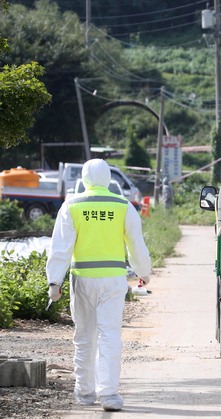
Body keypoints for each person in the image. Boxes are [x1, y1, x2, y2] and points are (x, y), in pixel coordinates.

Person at [46, 159, 151, 412]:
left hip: (82, 279)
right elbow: (136, 244)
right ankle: (110, 394)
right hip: (113, 280)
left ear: (84, 179)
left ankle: (84, 392)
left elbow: (60, 248)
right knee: (110, 334)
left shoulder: (71, 206)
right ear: (107, 179)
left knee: (84, 336)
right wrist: (144, 273)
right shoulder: (123, 206)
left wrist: (54, 281)